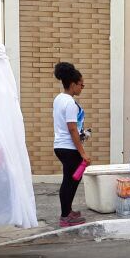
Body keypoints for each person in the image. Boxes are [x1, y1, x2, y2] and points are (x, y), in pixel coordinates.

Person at [53, 62, 91, 227]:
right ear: (73, 84)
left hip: (61, 146)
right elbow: (72, 129)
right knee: (71, 181)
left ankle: (67, 211)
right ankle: (65, 216)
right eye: (81, 84)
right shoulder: (69, 103)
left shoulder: (59, 99)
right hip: (69, 147)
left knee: (69, 179)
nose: (82, 87)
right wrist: (82, 152)